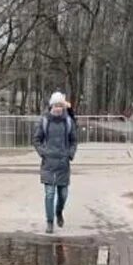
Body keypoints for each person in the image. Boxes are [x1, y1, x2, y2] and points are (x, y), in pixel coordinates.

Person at [34, 92, 77, 234]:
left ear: (63, 106)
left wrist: (70, 154)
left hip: (63, 164)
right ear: (51, 106)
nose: (58, 108)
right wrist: (43, 152)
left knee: (63, 195)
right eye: (56, 105)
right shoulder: (45, 121)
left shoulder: (68, 121)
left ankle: (59, 212)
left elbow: (73, 140)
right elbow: (36, 140)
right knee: (50, 194)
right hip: (48, 164)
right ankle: (50, 221)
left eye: (60, 105)